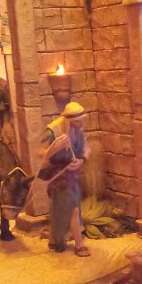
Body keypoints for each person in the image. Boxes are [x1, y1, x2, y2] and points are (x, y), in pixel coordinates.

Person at [41, 101, 91, 257]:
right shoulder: (53, 131)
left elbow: (86, 148)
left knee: (59, 208)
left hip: (72, 174)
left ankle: (54, 239)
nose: (80, 123)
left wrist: (82, 160)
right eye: (77, 121)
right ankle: (79, 244)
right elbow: (41, 154)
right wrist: (56, 147)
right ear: (69, 120)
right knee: (72, 208)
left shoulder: (78, 129)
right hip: (58, 175)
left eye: (81, 120)